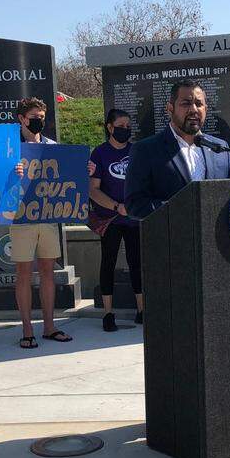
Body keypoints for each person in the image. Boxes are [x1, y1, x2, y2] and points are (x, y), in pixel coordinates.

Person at [124, 79, 230, 219]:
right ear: (170, 109)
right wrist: (182, 208)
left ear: (206, 109)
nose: (193, 110)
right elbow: (135, 205)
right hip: (172, 238)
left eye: (199, 104)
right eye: (186, 103)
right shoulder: (145, 150)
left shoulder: (220, 149)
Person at [11, 97, 73, 349]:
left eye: (42, 117)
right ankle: (27, 328)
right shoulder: (10, 148)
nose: (39, 121)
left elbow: (66, 180)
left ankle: (49, 325)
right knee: (24, 273)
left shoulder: (52, 145)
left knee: (48, 271)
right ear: (22, 119)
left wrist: (83, 169)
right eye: (34, 117)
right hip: (20, 217)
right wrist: (12, 173)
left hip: (48, 216)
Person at [88, 108, 144, 332]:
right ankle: (108, 313)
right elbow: (93, 190)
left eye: (128, 126)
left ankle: (142, 310)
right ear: (110, 128)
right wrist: (115, 206)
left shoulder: (137, 151)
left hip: (133, 217)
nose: (125, 130)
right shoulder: (99, 154)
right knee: (108, 262)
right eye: (120, 126)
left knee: (137, 263)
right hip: (109, 218)